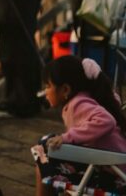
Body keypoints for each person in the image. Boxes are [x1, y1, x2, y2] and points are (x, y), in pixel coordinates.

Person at [33, 56, 126, 195]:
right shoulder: (86, 98)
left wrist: (67, 138)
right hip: (110, 166)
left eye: (48, 86)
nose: (45, 91)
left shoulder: (78, 104)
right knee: (47, 150)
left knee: (43, 154)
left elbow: (107, 120)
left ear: (65, 90)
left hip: (115, 175)